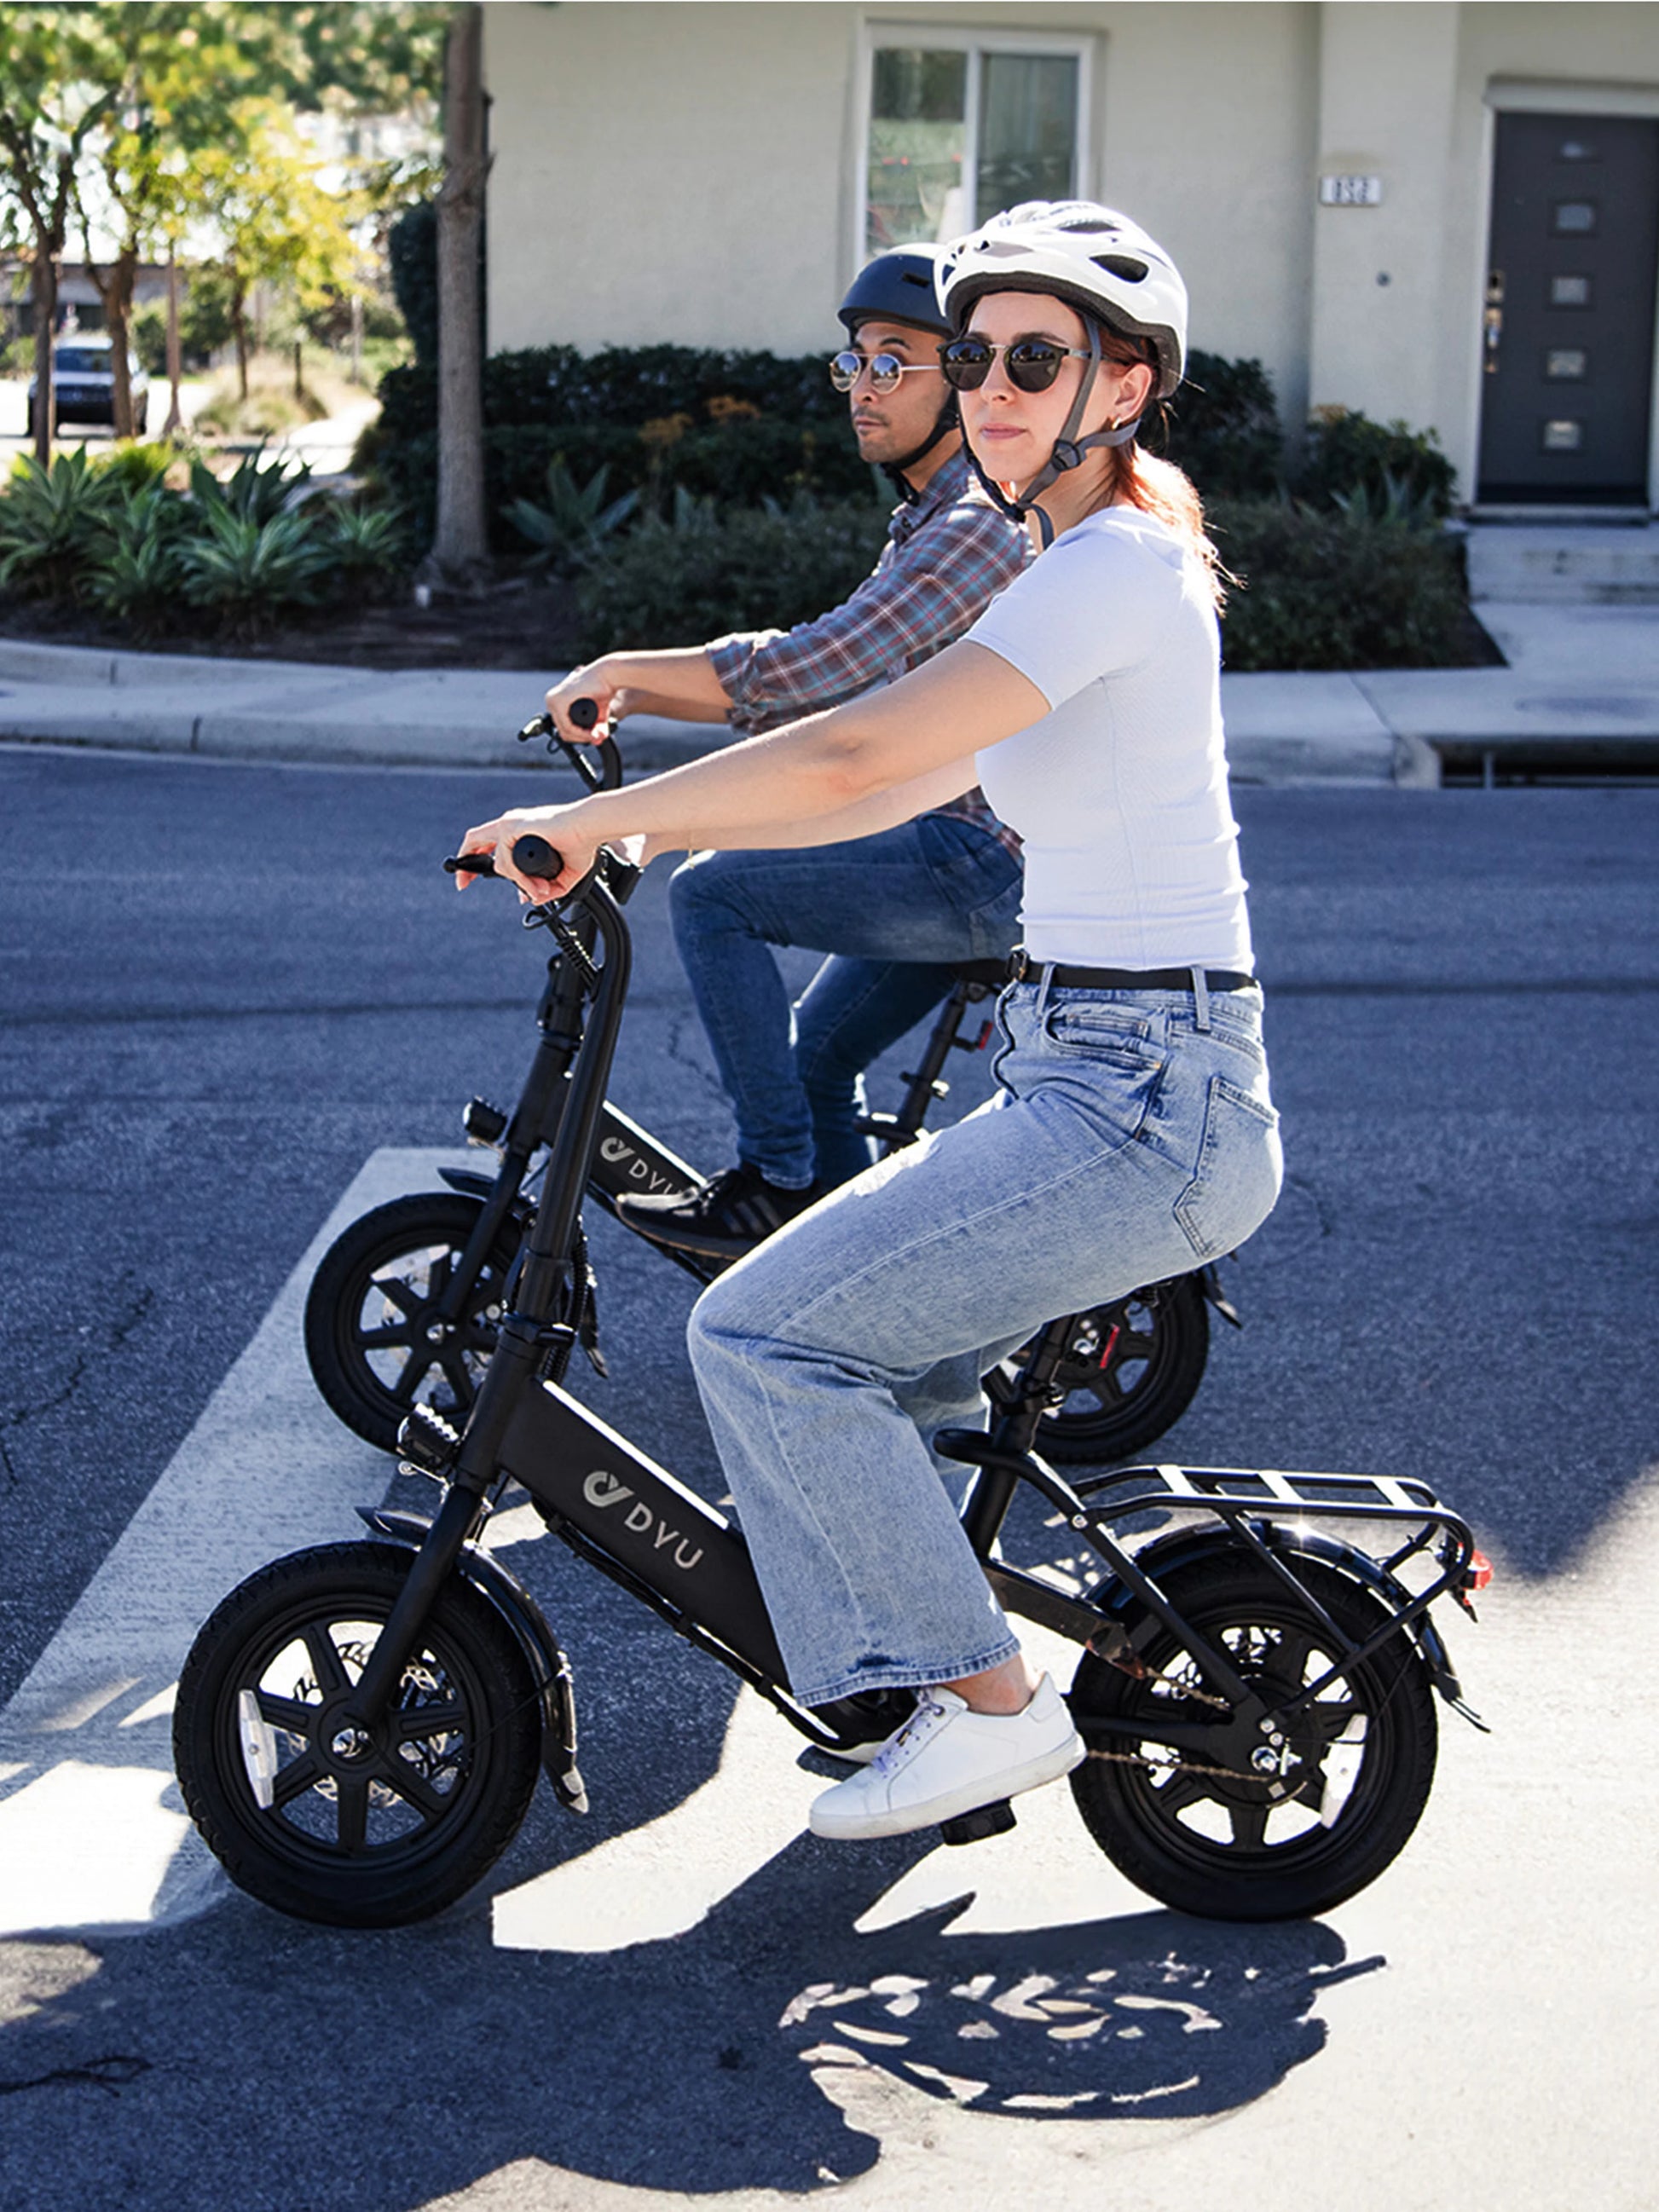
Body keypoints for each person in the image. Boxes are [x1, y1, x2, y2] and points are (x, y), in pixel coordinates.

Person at [460, 201, 1283, 1842]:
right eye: (973, 355)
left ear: (1121, 390)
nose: (988, 385)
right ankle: (918, 1680)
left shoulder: (1105, 569)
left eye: (1032, 359)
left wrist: (606, 830)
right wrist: (656, 841)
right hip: (1095, 1075)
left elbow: (848, 756)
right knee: (876, 1378)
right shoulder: (1064, 568)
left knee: (756, 1337)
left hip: (1140, 1102)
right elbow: (893, 772)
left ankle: (984, 1709)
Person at [541, 245, 1028, 1261]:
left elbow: (816, 669)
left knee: (714, 896)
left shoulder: (976, 527)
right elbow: (840, 680)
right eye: (852, 362)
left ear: (965, 376)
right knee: (813, 1065)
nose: (861, 387)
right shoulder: (928, 518)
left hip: (971, 862)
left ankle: (771, 1184)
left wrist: (624, 671)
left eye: (892, 361)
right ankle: (854, 1281)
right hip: (934, 843)